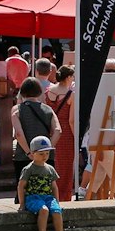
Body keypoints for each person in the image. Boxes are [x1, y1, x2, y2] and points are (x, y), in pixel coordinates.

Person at [17, 136, 64, 231]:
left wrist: (57, 202)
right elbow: (21, 186)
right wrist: (22, 204)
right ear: (33, 153)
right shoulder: (28, 169)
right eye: (41, 154)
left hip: (48, 197)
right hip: (33, 197)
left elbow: (54, 187)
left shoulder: (50, 169)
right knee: (44, 210)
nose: (45, 156)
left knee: (57, 211)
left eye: (47, 153)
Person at [45, 63, 78, 191]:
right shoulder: (71, 95)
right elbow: (71, 120)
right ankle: (63, 194)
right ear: (68, 77)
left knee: (50, 163)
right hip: (65, 132)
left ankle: (51, 192)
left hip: (50, 129)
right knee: (66, 166)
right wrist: (76, 137)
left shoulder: (48, 91)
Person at [14, 77, 56, 157]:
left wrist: (29, 153)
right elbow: (58, 131)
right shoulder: (48, 109)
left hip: (22, 155)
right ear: (39, 91)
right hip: (46, 156)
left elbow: (18, 133)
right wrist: (46, 149)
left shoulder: (17, 110)